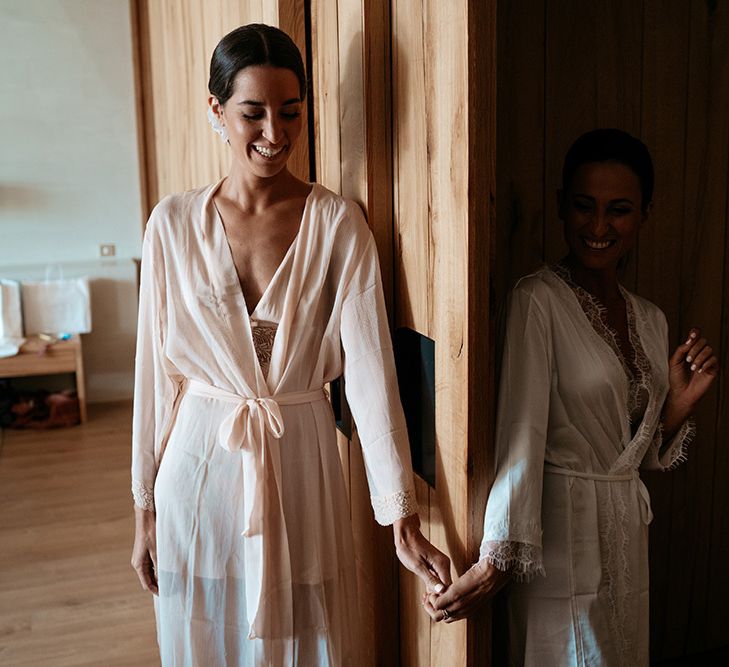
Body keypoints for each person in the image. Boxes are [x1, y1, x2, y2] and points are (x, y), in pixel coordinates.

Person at [130, 23, 450, 666]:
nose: (275, 133)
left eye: (291, 113)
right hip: (201, 462)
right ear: (217, 110)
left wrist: (401, 516)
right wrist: (143, 506)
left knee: (307, 639)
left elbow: (368, 372)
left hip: (302, 456)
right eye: (253, 113)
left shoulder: (337, 223)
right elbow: (153, 378)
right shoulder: (171, 224)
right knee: (207, 633)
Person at [424, 129, 718, 665]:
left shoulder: (650, 319)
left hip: (627, 533)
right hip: (561, 535)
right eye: (584, 207)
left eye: (620, 210)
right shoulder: (537, 299)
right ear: (561, 205)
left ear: (645, 214)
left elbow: (631, 453)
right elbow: (521, 433)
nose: (599, 227)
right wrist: (494, 564)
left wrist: (675, 407)